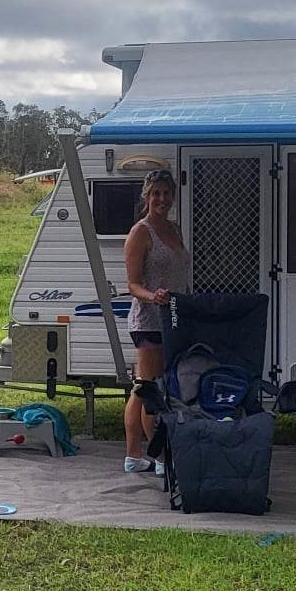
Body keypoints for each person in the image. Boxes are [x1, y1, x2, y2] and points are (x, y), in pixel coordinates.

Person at [122, 168, 190, 473]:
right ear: (147, 197)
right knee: (151, 389)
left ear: (173, 196)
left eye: (166, 193)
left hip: (173, 319)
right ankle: (159, 456)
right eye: (155, 193)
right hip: (148, 320)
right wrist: (154, 296)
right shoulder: (141, 232)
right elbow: (132, 285)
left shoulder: (174, 229)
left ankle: (133, 455)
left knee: (143, 387)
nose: (161, 199)